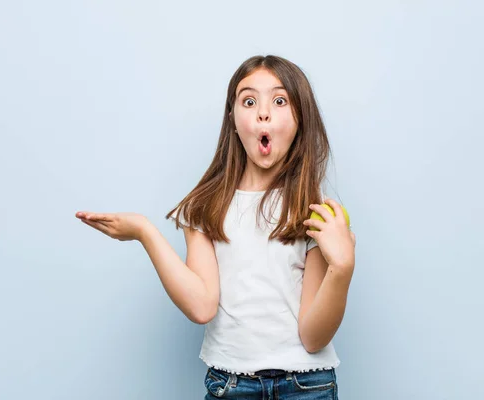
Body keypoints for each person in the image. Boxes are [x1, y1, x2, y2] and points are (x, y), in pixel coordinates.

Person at [75, 54, 356, 399]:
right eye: (249, 101)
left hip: (307, 386)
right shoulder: (205, 208)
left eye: (279, 101)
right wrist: (145, 232)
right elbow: (201, 306)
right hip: (230, 386)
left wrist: (342, 269)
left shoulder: (315, 211)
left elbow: (313, 336)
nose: (263, 112)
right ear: (233, 118)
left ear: (300, 118)